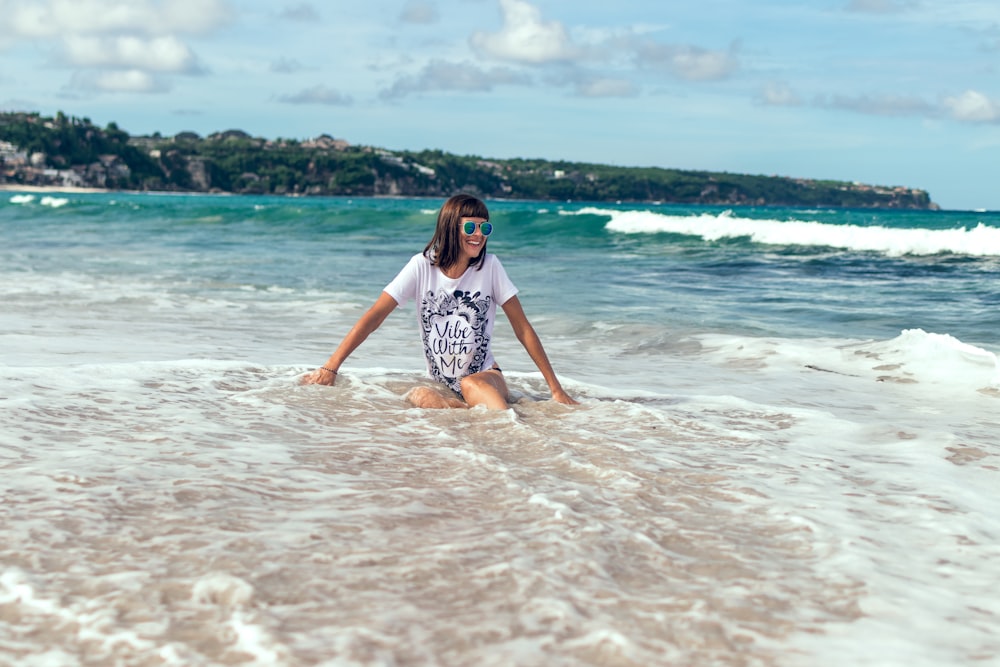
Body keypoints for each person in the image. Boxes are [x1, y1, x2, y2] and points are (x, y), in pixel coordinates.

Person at [302, 193, 578, 410]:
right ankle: (459, 409)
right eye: (470, 226)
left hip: (485, 376)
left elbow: (523, 329)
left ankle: (497, 422)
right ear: (450, 227)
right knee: (421, 397)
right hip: (443, 383)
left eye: (485, 228)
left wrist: (555, 389)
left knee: (473, 386)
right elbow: (375, 316)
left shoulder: (491, 267)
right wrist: (330, 368)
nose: (479, 235)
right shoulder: (421, 267)